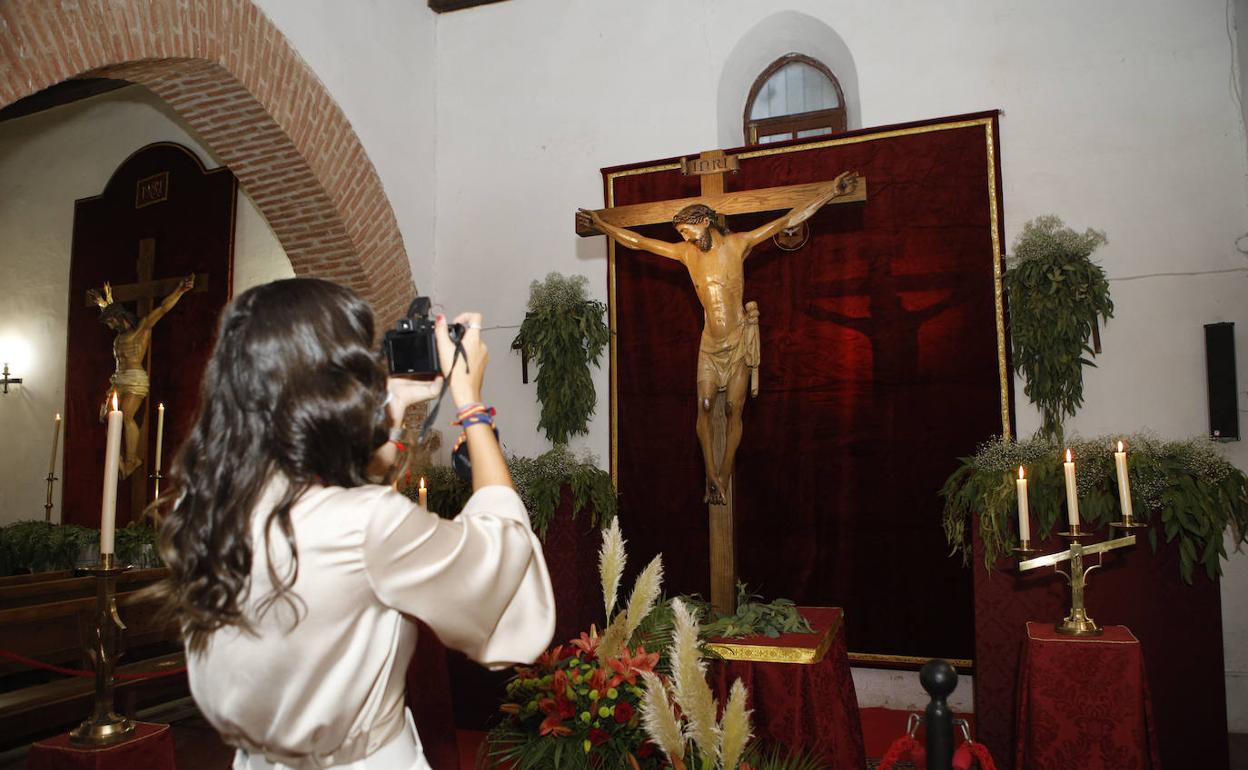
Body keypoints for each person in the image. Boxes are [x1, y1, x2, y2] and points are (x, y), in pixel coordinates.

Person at [155, 278, 555, 770]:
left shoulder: (202, 506)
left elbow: (328, 488)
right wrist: (472, 405)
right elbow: (500, 554)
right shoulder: (365, 524)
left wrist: (396, 407)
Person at [577, 170, 858, 504]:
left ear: (705, 221)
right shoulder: (686, 254)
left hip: (737, 340)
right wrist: (602, 225)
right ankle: (710, 473)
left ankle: (723, 473)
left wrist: (830, 191)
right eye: (681, 233)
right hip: (710, 344)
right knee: (707, 405)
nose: (686, 237)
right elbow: (638, 242)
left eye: (687, 230)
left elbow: (786, 221)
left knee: (732, 411)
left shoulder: (738, 244)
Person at [89, 275, 195, 477]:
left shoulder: (141, 330)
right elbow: (111, 312)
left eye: (111, 320)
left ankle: (132, 459)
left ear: (121, 317)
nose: (110, 326)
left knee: (127, 416)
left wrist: (180, 290)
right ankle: (117, 455)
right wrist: (101, 303)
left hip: (135, 379)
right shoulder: (118, 338)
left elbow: (162, 309)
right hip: (118, 379)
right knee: (107, 417)